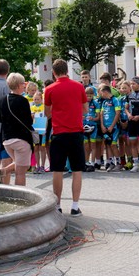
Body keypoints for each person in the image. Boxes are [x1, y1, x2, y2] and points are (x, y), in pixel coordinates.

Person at [44, 58, 88, 215]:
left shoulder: (49, 89)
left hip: (59, 133)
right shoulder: (79, 86)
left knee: (57, 170)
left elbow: (47, 113)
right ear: (67, 71)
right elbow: (85, 109)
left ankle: (58, 205)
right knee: (77, 170)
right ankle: (75, 206)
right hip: (76, 133)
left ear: (53, 72)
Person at [0, 72, 34, 187]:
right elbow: (29, 122)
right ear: (18, 85)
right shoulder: (23, 101)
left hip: (7, 140)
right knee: (21, 172)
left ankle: (4, 171)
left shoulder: (3, 100)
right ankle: (20, 200)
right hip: (21, 140)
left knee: (20, 163)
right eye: (23, 84)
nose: (25, 86)